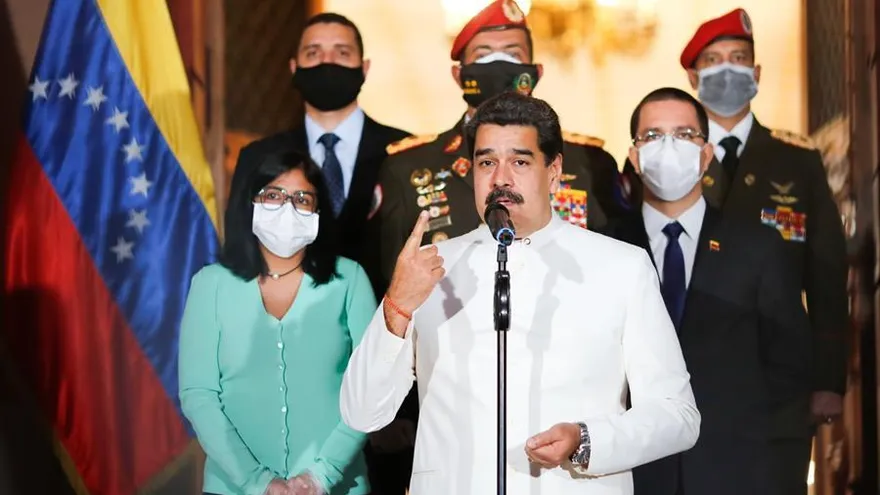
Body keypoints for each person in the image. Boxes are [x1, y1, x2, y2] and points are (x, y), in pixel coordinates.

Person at [339, 92, 700, 495]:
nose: (500, 178)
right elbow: (361, 412)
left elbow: (678, 415)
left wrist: (585, 440)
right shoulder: (428, 269)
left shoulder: (621, 267)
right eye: (486, 162)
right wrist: (397, 306)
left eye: (520, 162)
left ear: (554, 171)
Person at [604, 87, 812, 495]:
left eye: (684, 134)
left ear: (705, 154)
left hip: (737, 469)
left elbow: (789, 367)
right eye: (653, 135)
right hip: (633, 472)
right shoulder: (605, 247)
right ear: (634, 157)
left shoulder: (758, 247)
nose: (668, 147)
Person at [679, 9, 848, 494]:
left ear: (756, 73)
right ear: (693, 77)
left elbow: (827, 276)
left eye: (738, 59)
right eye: (713, 60)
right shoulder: (671, 157)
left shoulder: (797, 160)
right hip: (690, 375)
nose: (727, 69)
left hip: (779, 381)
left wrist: (828, 379)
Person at [375, 0, 622, 288]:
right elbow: (392, 281)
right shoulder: (407, 167)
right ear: (459, 74)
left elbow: (614, 265)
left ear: (536, 72)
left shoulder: (588, 162)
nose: (498, 65)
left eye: (512, 54)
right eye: (483, 55)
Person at [179, 150, 375, 495]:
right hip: (232, 488)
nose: (288, 207)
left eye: (302, 199)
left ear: (318, 213)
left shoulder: (350, 280)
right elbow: (199, 394)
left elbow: (371, 388)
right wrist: (257, 482)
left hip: (338, 486)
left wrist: (321, 476)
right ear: (251, 203)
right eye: (273, 195)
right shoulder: (211, 284)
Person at [233, 12, 410, 298]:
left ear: (364, 68)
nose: (327, 62)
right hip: (286, 316)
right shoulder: (258, 157)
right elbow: (241, 250)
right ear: (294, 68)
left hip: (387, 316)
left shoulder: (405, 151)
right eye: (313, 53)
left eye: (342, 53)